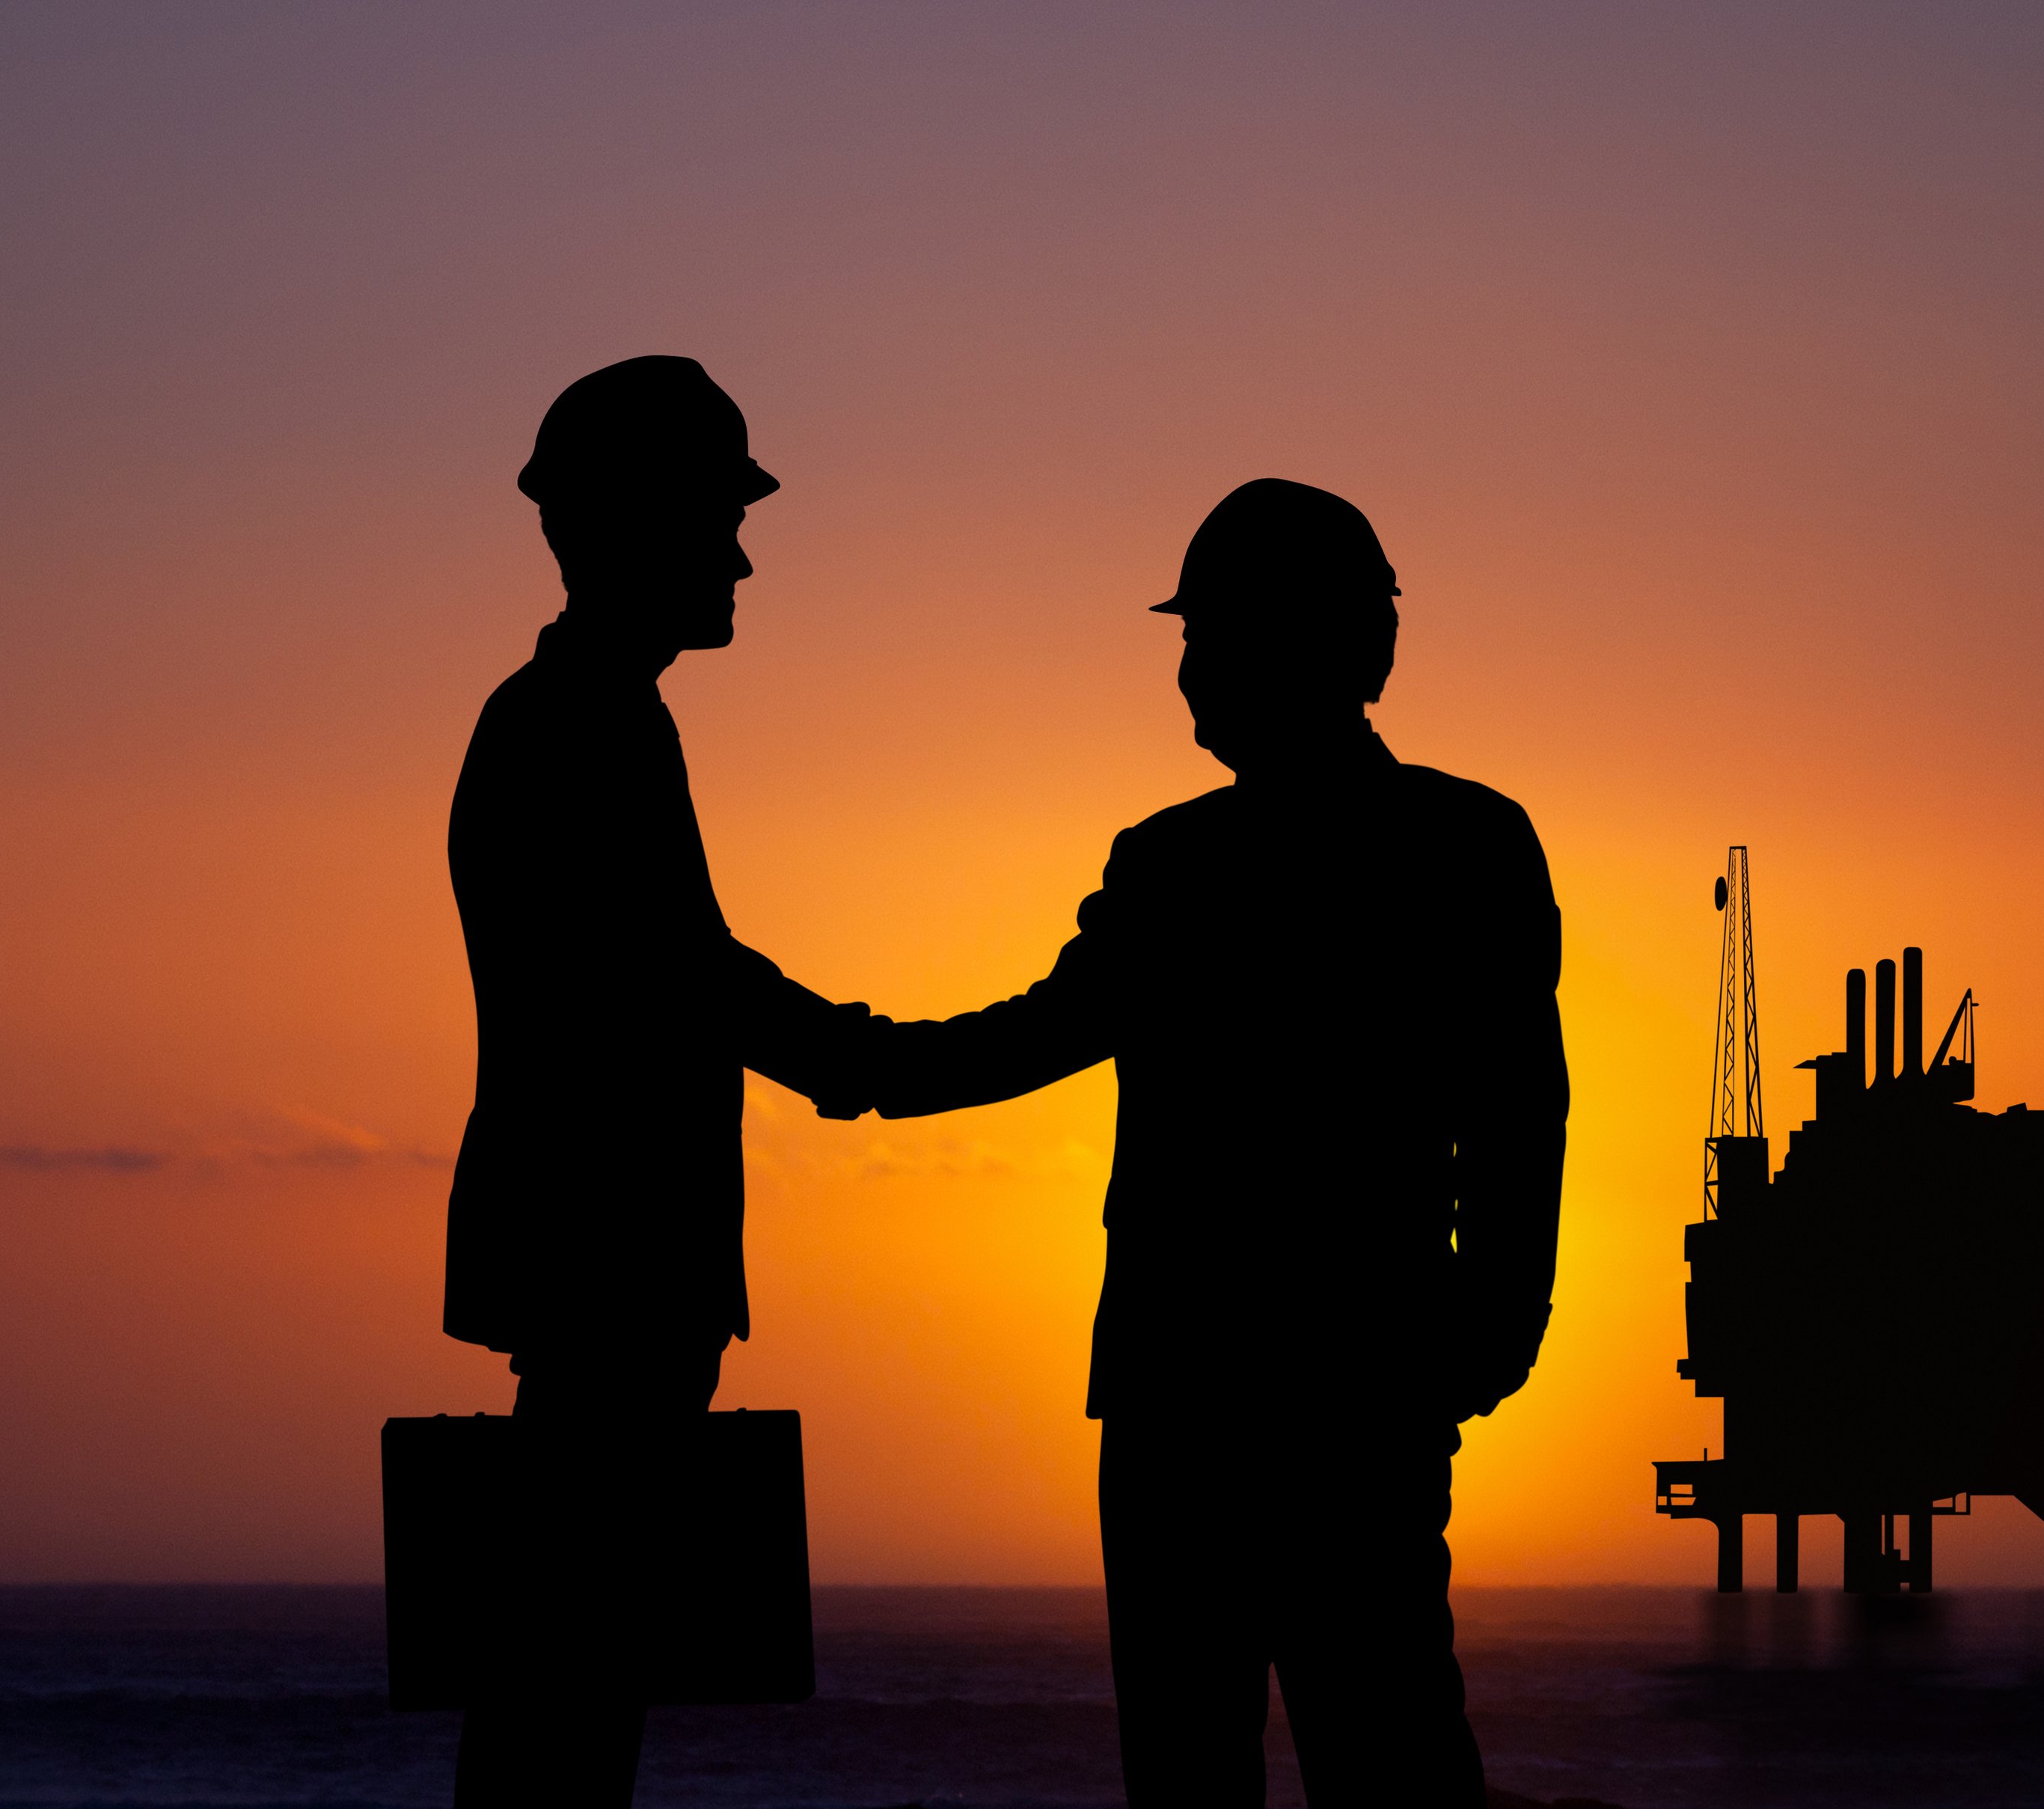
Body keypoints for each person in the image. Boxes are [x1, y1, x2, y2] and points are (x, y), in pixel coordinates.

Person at [849, 480, 1567, 1808]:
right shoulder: (1461, 844)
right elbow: (1521, 1120)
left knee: (1229, 1766)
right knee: (1384, 1746)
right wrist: (1486, 1338)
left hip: (1209, 1394)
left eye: (1208, 635)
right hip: (1350, 1381)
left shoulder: (1187, 866)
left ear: (1302, 646)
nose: (1186, 668)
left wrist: (841, 1059)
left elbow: (1026, 1040)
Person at [441, 355, 872, 1807]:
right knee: (566, 1690)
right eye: (717, 514)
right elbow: (689, 975)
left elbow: (686, 972)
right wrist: (875, 1062)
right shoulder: (581, 728)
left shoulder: (590, 718)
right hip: (610, 1263)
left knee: (570, 1685)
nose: (742, 552)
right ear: (633, 524)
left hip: (609, 1262)